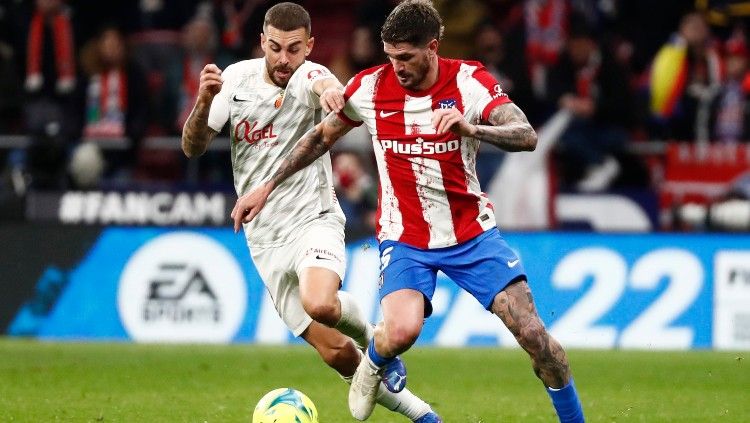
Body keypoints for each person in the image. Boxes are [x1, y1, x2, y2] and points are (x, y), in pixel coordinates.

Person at [231, 1, 585, 422]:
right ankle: (372, 366)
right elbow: (320, 137)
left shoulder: (469, 82)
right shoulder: (369, 88)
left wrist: (473, 129)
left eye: (406, 57)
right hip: (405, 238)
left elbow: (525, 135)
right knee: (400, 332)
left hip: (471, 234)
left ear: (432, 48)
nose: (396, 67)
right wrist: (267, 186)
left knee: (533, 335)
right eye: (390, 56)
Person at [180, 3, 441, 422]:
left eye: (295, 49)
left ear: (309, 47)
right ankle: (425, 416)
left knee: (319, 302)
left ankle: (379, 346)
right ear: (263, 42)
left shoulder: (309, 75)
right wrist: (204, 100)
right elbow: (192, 147)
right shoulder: (234, 81)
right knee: (336, 351)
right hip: (263, 238)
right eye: (276, 48)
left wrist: (331, 94)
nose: (284, 59)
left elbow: (321, 86)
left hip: (313, 219)